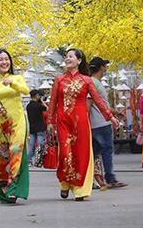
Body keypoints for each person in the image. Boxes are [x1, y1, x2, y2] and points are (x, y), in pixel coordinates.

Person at [46, 49, 118, 201]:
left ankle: (80, 190)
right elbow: (53, 102)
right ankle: (65, 184)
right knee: (65, 154)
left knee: (81, 154)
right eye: (66, 56)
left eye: (71, 56)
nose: (67, 59)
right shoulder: (59, 79)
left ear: (79, 61)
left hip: (81, 123)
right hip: (64, 122)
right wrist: (50, 122)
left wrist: (110, 117)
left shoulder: (86, 80)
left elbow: (98, 100)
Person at [0, 49, 30, 204]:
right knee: (2, 156)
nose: (4, 62)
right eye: (1, 60)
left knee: (16, 152)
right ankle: (5, 189)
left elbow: (26, 90)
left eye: (7, 59)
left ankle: (13, 189)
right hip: (0, 124)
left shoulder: (17, 78)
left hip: (18, 122)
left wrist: (13, 83)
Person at [87, 57, 127, 189]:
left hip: (97, 123)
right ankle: (110, 178)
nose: (106, 68)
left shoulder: (95, 82)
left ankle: (91, 180)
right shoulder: (93, 83)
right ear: (101, 67)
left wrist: (115, 112)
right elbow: (89, 103)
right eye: (105, 65)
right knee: (107, 150)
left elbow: (102, 105)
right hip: (101, 124)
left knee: (94, 152)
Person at [26, 89, 48, 166]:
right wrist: (42, 102)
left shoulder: (28, 106)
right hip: (40, 128)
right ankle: (39, 160)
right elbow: (47, 108)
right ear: (37, 96)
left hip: (32, 127)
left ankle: (29, 160)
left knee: (31, 145)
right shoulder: (38, 106)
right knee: (40, 144)